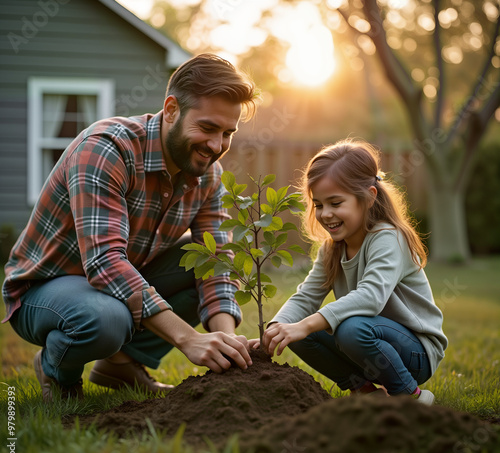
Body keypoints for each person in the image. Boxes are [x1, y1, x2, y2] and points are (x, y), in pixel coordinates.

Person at [2, 53, 260, 401]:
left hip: (120, 284)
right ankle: (55, 369)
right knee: (106, 319)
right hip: (45, 289)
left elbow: (216, 266)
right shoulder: (107, 149)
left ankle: (120, 365)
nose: (216, 146)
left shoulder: (208, 177)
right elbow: (105, 264)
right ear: (171, 110)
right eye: (208, 128)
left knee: (199, 257)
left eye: (228, 133)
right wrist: (188, 339)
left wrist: (226, 342)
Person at [262, 139, 448, 405]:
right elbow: (306, 297)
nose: (326, 214)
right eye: (319, 205)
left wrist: (304, 324)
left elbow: (370, 297)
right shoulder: (332, 249)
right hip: (366, 347)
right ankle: (365, 393)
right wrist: (275, 330)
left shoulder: (388, 238)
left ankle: (410, 397)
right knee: (298, 334)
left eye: (336, 203)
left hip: (415, 352)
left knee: (349, 328)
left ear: (369, 196)